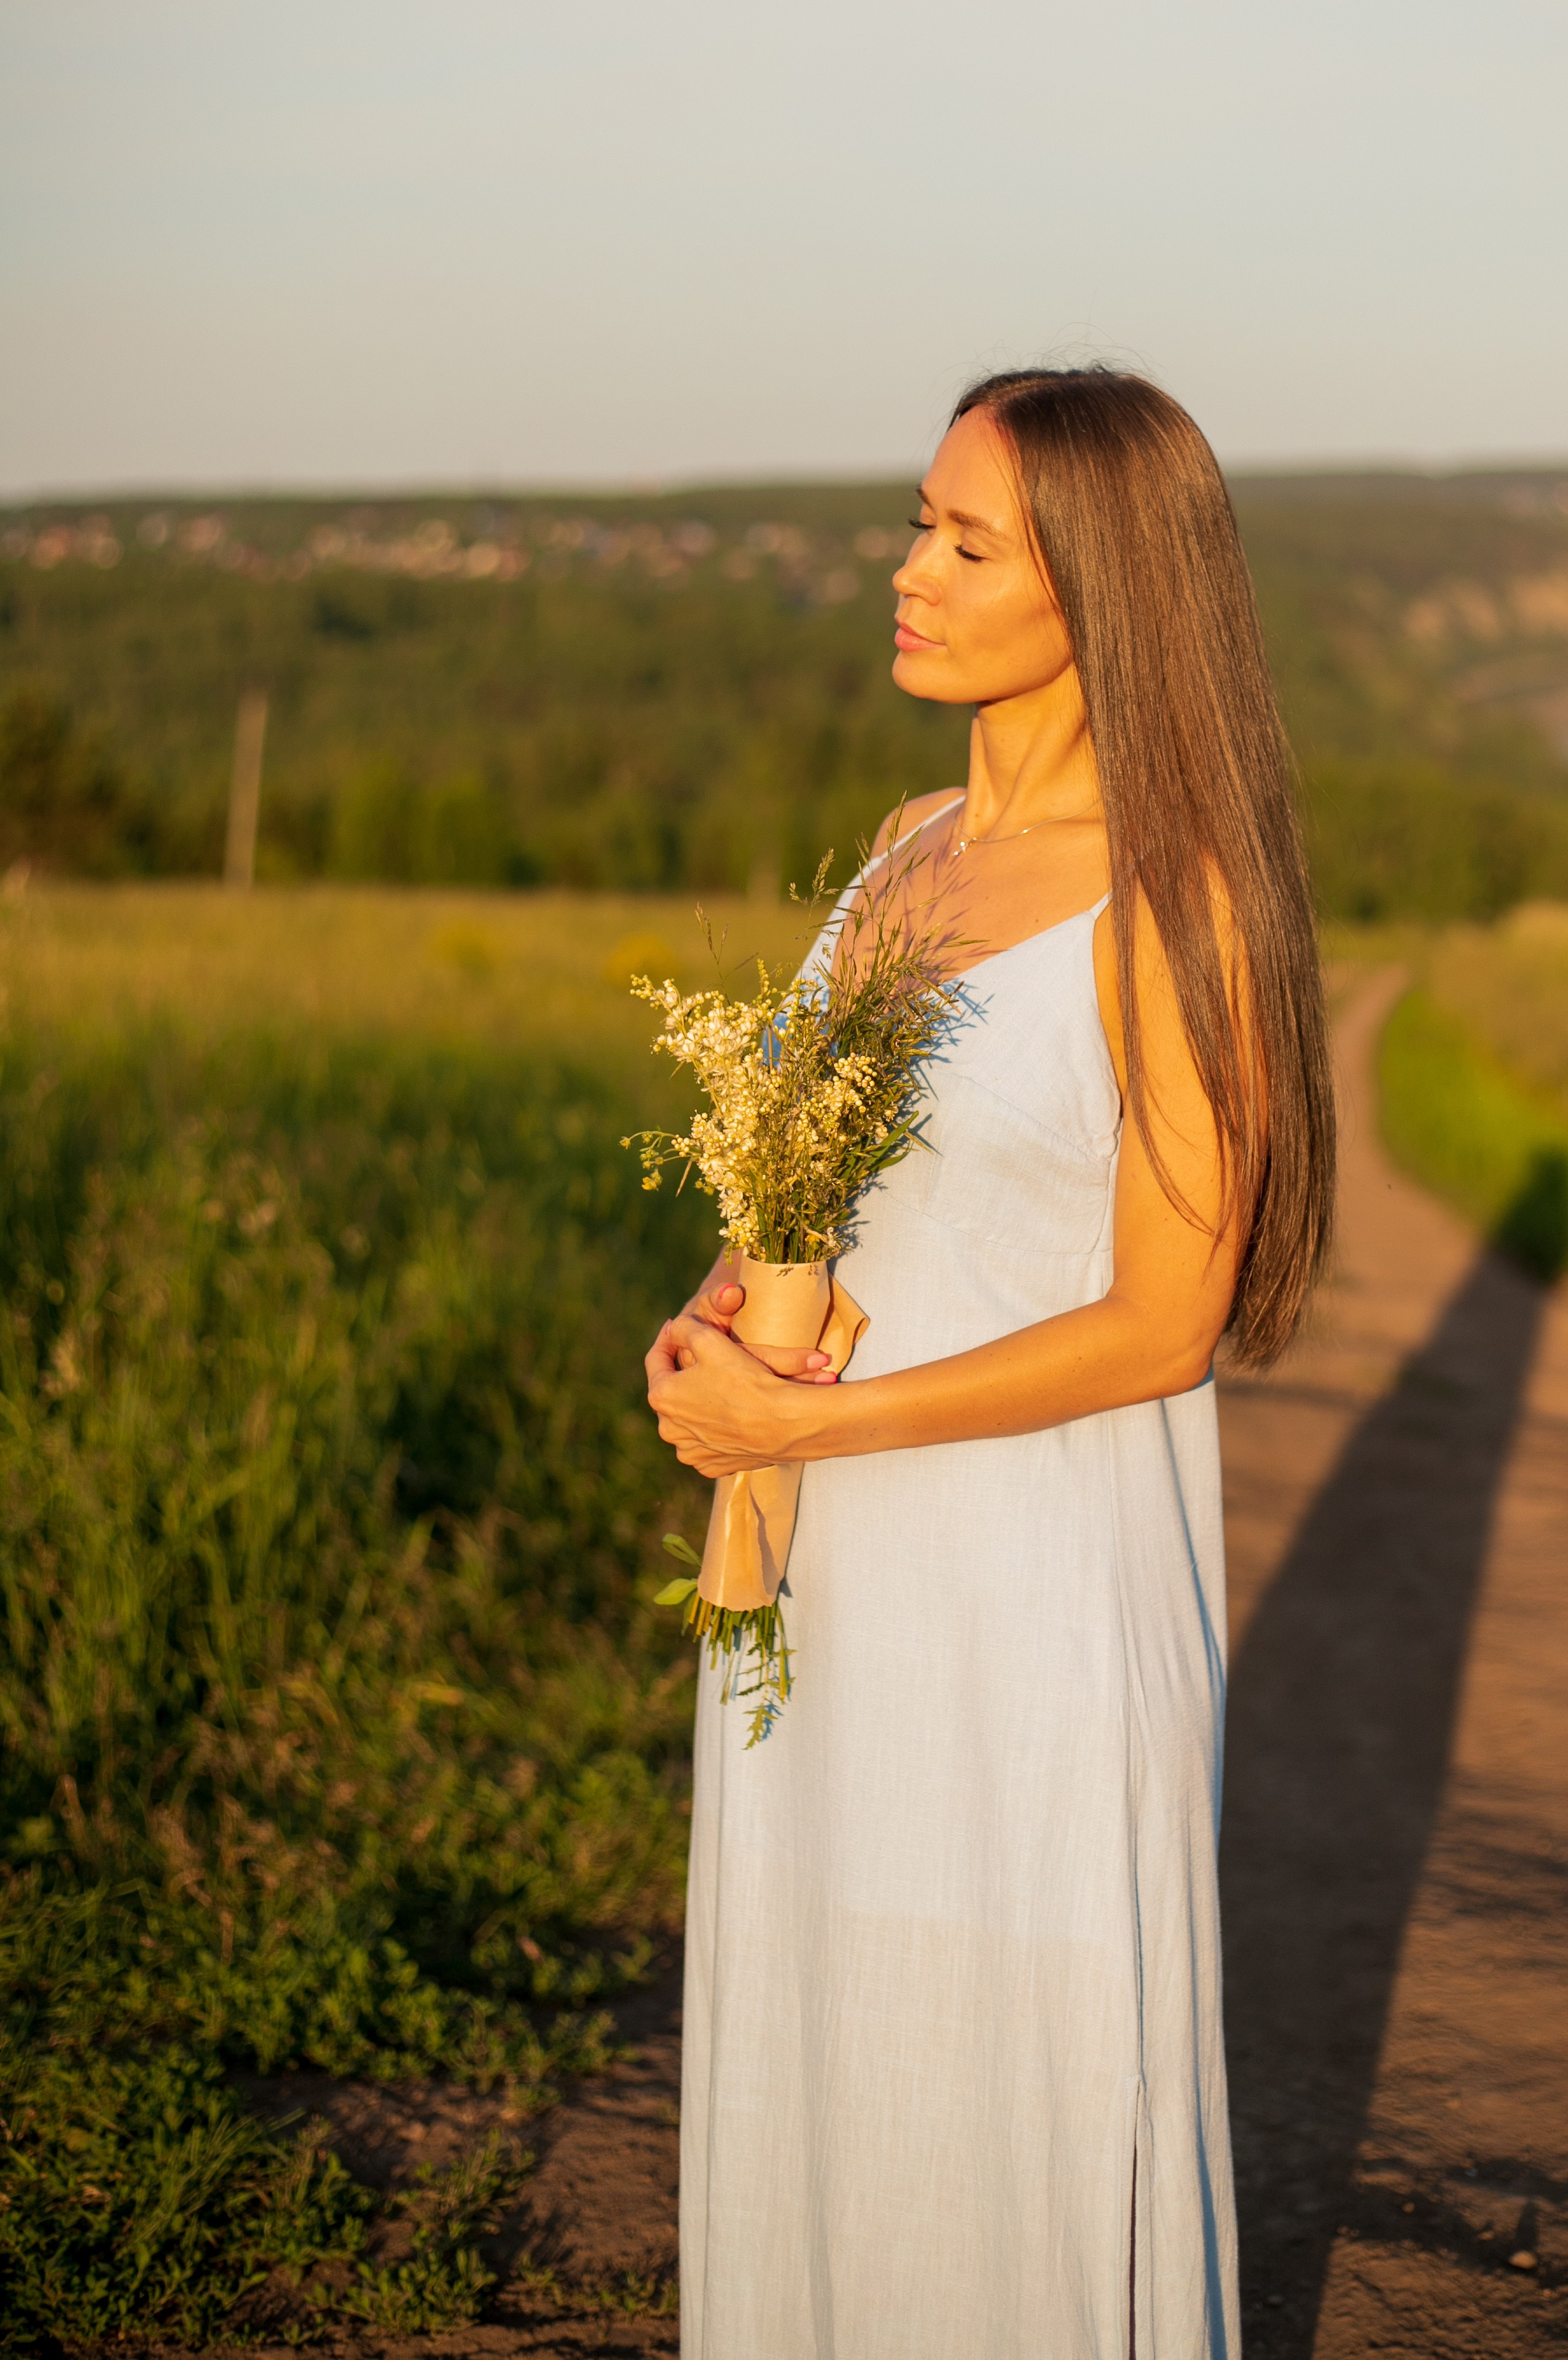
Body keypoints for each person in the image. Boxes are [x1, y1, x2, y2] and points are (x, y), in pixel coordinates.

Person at [646, 366, 1335, 2360]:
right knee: (827, 2030)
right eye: (918, 521)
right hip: (817, 1566)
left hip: (1034, 1598)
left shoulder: (1177, 896)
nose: (906, 568)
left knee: (1019, 2068)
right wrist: (711, 1321)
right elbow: (804, 1196)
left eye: (963, 540)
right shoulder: (899, 851)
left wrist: (816, 1416)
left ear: (1099, 590)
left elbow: (1166, 1323)